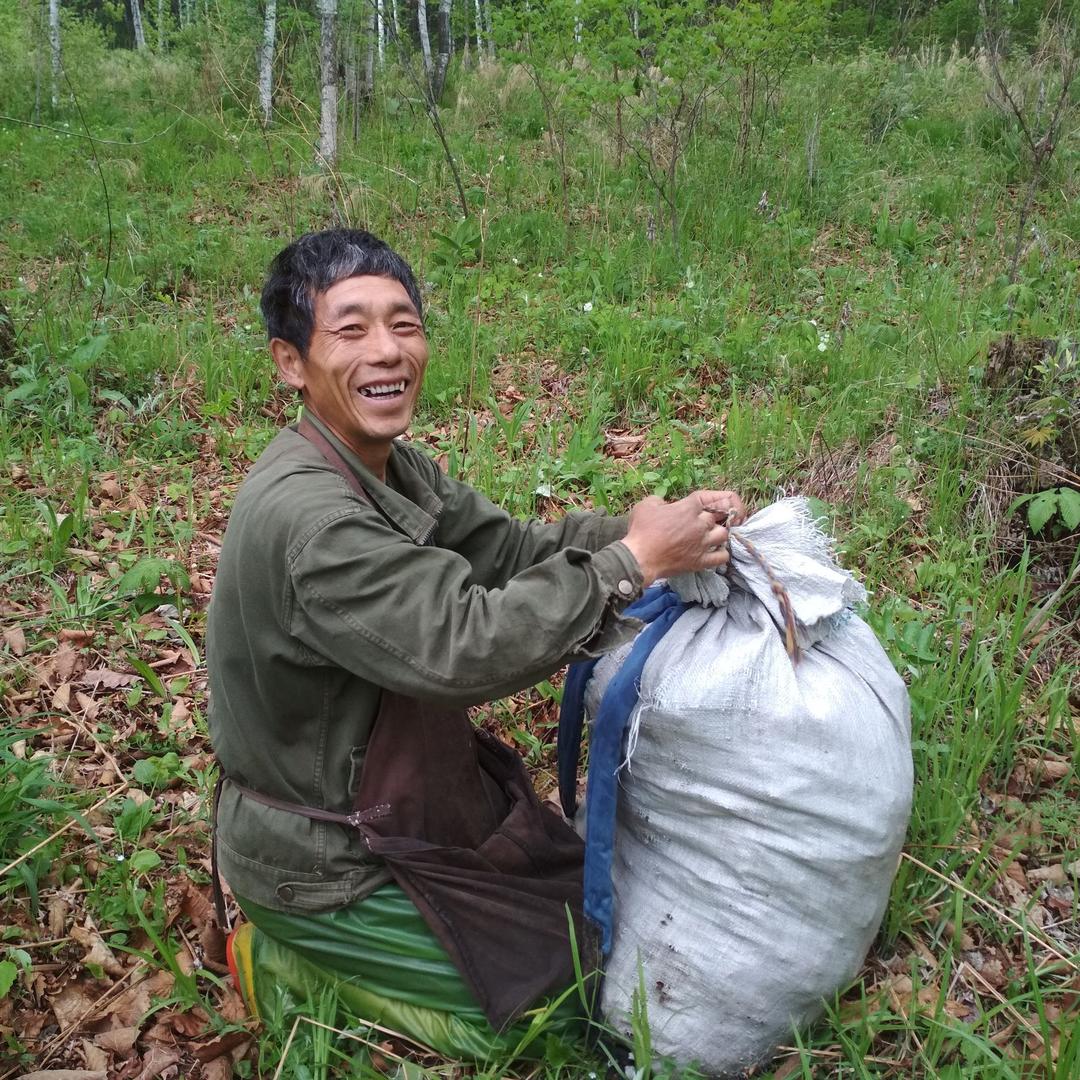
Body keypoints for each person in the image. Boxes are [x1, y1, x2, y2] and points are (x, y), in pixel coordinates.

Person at [207, 228, 744, 1055]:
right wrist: (633, 563)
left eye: (404, 324)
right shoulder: (315, 523)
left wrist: (637, 531)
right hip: (327, 859)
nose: (387, 351)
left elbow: (509, 551)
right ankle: (285, 960)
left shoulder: (385, 464)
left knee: (593, 909)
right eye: (351, 330)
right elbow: (466, 643)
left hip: (407, 800)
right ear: (291, 362)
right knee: (555, 1016)